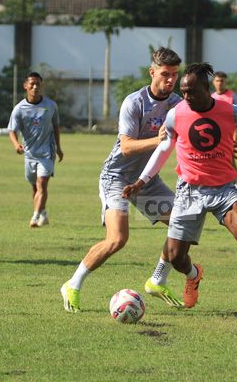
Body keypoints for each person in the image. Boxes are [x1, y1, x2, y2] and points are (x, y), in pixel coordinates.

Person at [122, 63, 237, 326]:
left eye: (191, 91)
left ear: (206, 88)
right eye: (183, 91)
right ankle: (193, 274)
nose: (186, 97)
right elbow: (165, 147)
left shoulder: (231, 112)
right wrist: (142, 180)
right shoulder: (176, 114)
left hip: (224, 189)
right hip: (189, 191)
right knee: (176, 257)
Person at [60, 47, 186, 313]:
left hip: (146, 180)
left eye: (174, 75)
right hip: (116, 177)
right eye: (165, 74)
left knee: (181, 223)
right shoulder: (135, 102)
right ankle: (73, 284)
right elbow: (127, 147)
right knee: (117, 239)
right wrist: (159, 139)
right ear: (152, 72)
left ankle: (158, 279)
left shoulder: (177, 104)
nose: (170, 80)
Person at [8, 72, 63, 228]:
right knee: (35, 187)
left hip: (47, 152)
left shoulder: (51, 105)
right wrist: (16, 144)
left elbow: (56, 126)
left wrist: (58, 148)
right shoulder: (19, 109)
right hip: (30, 154)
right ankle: (43, 213)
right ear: (25, 86)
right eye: (31, 84)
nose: (35, 87)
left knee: (42, 184)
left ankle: (35, 216)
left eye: (38, 84)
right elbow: (12, 130)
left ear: (41, 86)